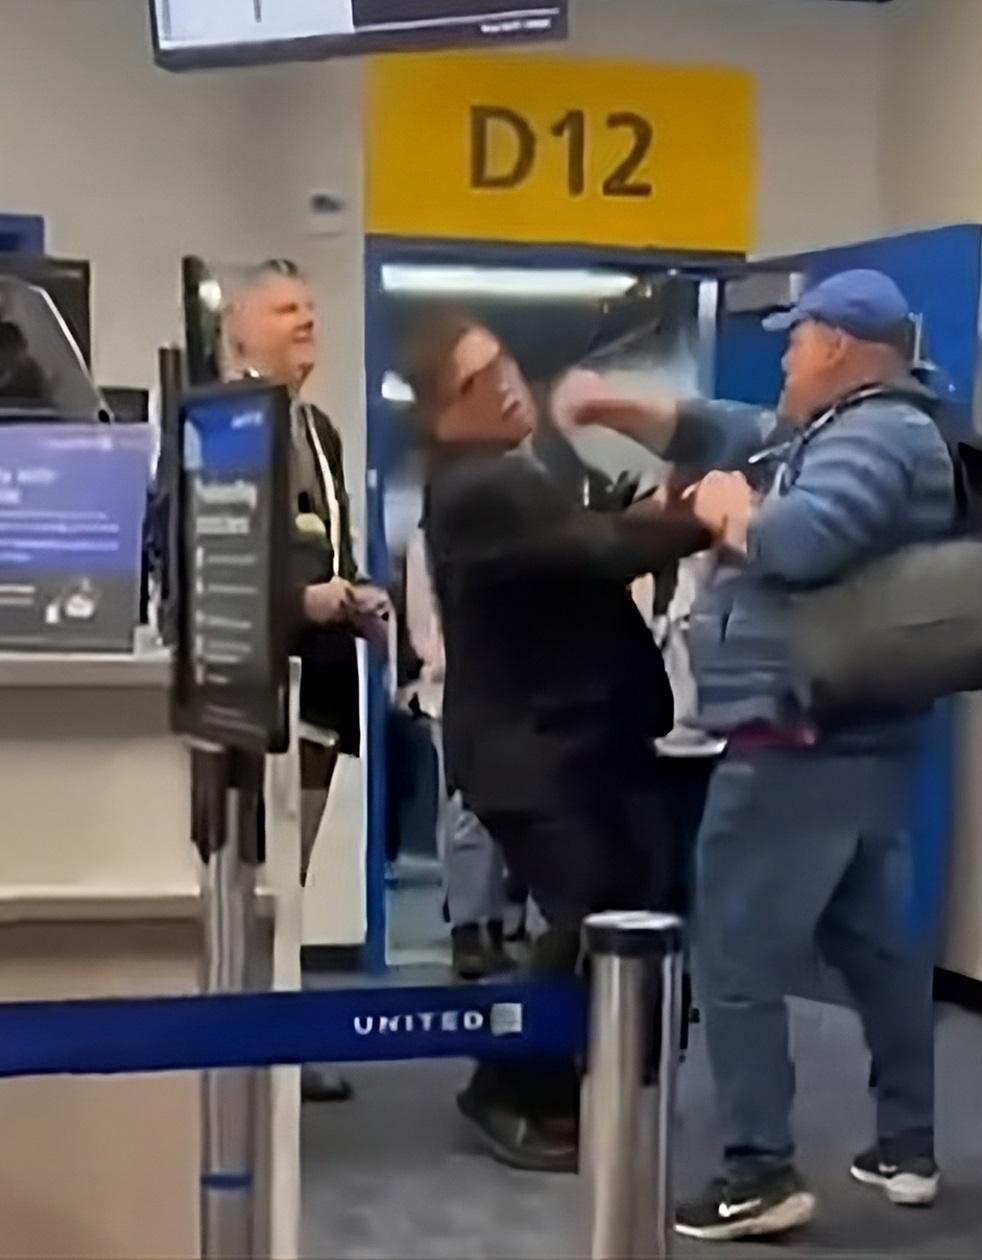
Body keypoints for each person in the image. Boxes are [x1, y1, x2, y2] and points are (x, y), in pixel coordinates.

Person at [567, 270, 954, 1240]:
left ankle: (759, 1170)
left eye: (794, 340)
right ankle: (906, 1143)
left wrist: (729, 506)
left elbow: (797, 541)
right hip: (850, 739)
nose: (783, 356)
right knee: (872, 947)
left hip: (798, 741)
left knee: (734, 950)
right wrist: (612, 404)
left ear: (834, 346)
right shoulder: (839, 429)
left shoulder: (877, 435)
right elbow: (717, 427)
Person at [405, 313, 711, 1173]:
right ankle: (511, 1089)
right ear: (439, 413)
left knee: (605, 909)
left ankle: (554, 1078)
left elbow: (572, 556)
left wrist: (653, 516)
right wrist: (703, 521)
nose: (502, 382)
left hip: (568, 742)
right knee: (589, 917)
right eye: (473, 381)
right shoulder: (477, 486)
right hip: (530, 753)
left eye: (501, 361)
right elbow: (591, 552)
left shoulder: (509, 474)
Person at [222, 258, 390, 1104]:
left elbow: (327, 547)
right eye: (286, 308)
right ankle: (245, 1050)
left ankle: (277, 1047)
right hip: (254, 701)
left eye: (311, 307)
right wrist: (301, 600)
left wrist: (356, 594)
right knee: (249, 886)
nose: (306, 321)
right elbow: (204, 563)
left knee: (287, 885)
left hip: (320, 696)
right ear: (238, 332)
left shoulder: (315, 431)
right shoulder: (224, 429)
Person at [402, 523, 514, 981]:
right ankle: (468, 929)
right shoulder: (430, 538)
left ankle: (486, 922)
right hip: (452, 691)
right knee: (465, 809)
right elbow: (423, 628)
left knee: (488, 812)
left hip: (499, 690)